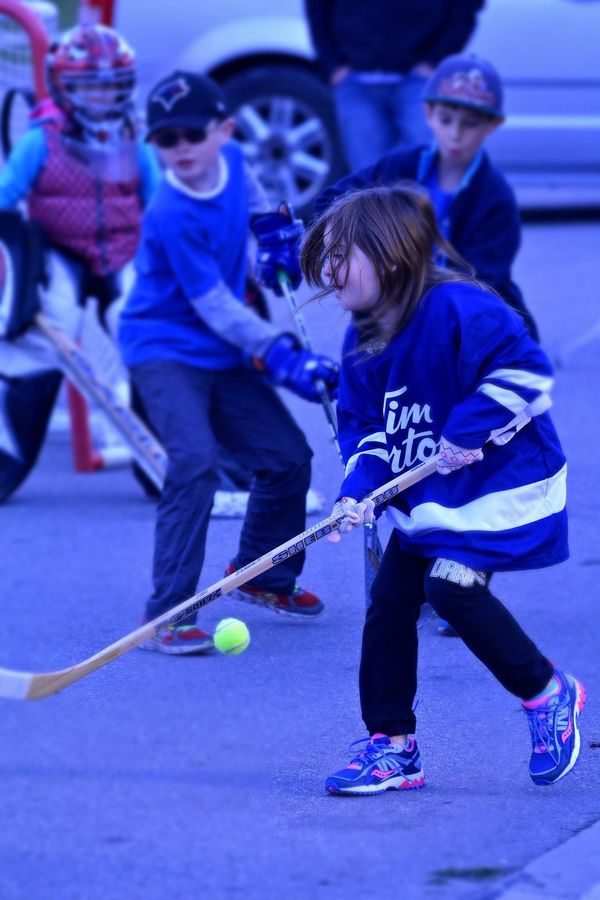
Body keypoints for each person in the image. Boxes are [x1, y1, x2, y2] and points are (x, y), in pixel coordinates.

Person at [300, 184, 585, 794]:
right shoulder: (361, 341)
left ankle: (548, 694)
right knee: (390, 601)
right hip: (430, 497)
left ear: (391, 254)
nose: (328, 270)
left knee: (450, 586)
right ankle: (392, 746)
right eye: (324, 257)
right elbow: (365, 430)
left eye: (340, 253)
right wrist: (360, 490)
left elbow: (525, 373)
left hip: (497, 481)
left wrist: (471, 426)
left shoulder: (458, 306)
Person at [118, 71, 339, 655]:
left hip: (219, 348)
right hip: (163, 345)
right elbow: (214, 303)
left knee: (287, 458)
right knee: (194, 460)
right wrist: (283, 353)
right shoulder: (169, 211)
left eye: (194, 133)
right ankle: (167, 612)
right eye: (166, 140)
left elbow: (256, 198)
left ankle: (263, 576)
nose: (182, 149)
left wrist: (272, 234)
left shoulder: (236, 160)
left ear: (225, 130)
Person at [0, 24, 160, 502]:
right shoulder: (42, 138)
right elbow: (5, 199)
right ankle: (8, 455)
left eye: (109, 84)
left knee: (144, 335)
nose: (99, 94)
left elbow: (159, 205)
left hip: (123, 250)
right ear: (64, 84)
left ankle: (163, 459)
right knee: (42, 337)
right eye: (88, 83)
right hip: (59, 254)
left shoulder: (135, 138)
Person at [316, 54, 539, 343]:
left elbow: (483, 281)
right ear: (429, 113)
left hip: (466, 323)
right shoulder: (400, 166)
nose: (455, 135)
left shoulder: (495, 198)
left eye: (469, 124)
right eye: (446, 120)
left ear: (491, 125)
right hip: (390, 315)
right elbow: (332, 203)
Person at [305, 1, 483, 171]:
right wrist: (332, 65)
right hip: (354, 81)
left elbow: (466, 8)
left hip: (418, 80)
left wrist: (434, 60)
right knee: (368, 182)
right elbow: (317, 7)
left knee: (425, 175)